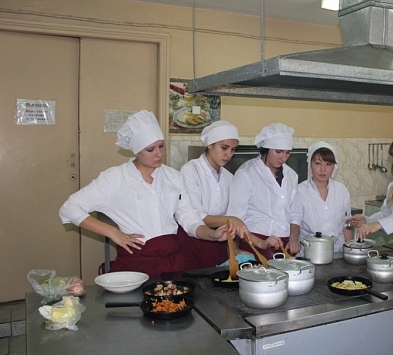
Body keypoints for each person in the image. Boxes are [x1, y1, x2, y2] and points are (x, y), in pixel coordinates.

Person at [59, 110, 230, 279]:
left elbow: (189, 219)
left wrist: (213, 235)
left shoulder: (173, 177)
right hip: (136, 265)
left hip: (173, 264)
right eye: (150, 149)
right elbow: (70, 208)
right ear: (136, 150)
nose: (159, 154)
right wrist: (113, 233)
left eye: (161, 146)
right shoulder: (115, 178)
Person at [178, 120, 252, 269]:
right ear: (210, 145)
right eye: (224, 147)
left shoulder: (229, 177)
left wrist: (235, 247)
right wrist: (231, 220)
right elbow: (196, 215)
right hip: (195, 240)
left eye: (233, 150)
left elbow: (231, 214)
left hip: (220, 240)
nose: (228, 154)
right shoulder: (190, 170)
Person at [227, 123, 298, 259]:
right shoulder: (247, 173)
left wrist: (293, 238)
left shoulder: (292, 175)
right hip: (254, 242)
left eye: (287, 152)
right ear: (266, 149)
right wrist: (261, 243)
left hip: (284, 244)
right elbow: (235, 219)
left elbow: (294, 214)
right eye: (278, 152)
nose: (283, 158)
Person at [289, 141, 352, 255]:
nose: (323, 169)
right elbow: (295, 220)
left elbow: (346, 224)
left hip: (337, 252)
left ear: (334, 167)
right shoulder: (300, 190)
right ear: (310, 164)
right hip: (310, 252)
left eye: (328, 164)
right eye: (318, 163)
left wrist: (351, 250)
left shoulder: (342, 190)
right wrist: (293, 240)